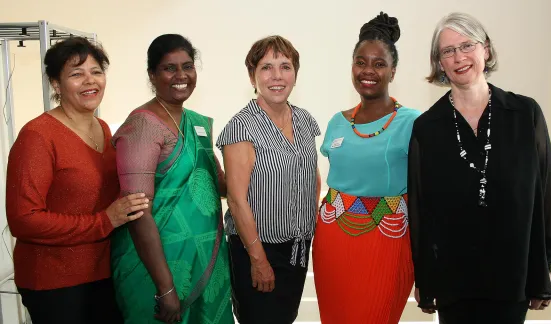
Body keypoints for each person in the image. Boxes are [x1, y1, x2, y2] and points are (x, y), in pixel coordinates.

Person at [408, 12, 551, 324]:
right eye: (448, 51)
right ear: (439, 62)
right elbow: (421, 209)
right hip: (454, 280)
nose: (459, 57)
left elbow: (545, 193)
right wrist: (425, 279)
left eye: (466, 45)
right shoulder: (426, 127)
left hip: (513, 275)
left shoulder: (525, 114)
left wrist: (545, 266)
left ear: (486, 50)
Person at [5, 37, 148, 324]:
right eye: (76, 74)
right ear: (56, 84)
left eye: (96, 71)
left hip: (104, 272)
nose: (89, 81)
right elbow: (24, 219)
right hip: (54, 281)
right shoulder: (38, 136)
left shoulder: (104, 128)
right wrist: (104, 221)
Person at [110, 34, 233, 324]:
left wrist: (259, 161)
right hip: (158, 269)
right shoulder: (142, 126)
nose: (181, 76)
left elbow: (218, 183)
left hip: (205, 258)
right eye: (169, 68)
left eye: (187, 66)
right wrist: (165, 288)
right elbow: (137, 211)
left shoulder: (198, 123)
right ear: (152, 74)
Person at [312, 12, 420, 324]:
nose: (368, 71)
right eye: (361, 62)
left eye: (379, 63)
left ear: (393, 70)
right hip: (333, 239)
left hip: (388, 239)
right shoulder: (337, 122)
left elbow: (426, 190)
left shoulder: (413, 122)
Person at [216, 35, 321, 324]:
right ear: (253, 76)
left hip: (297, 249)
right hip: (258, 250)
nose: (277, 76)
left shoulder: (305, 121)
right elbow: (237, 201)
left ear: (295, 74)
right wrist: (258, 260)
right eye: (266, 67)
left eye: (285, 66)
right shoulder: (241, 126)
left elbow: (312, 179)